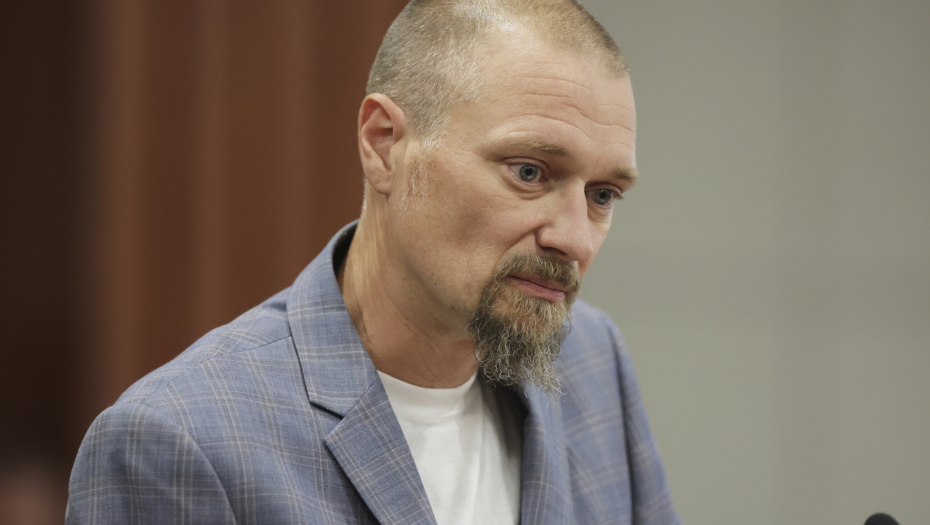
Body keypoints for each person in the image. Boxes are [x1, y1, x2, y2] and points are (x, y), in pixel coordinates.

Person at [67, 0, 680, 523]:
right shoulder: (180, 440)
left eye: (603, 196)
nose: (576, 239)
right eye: (528, 172)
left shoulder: (592, 362)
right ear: (385, 145)